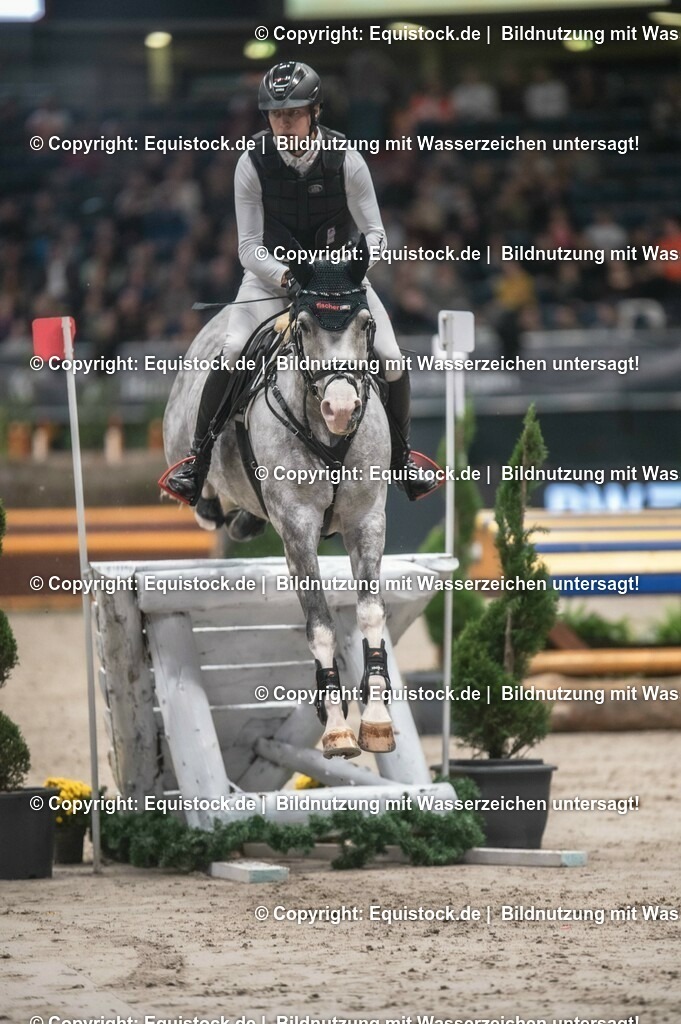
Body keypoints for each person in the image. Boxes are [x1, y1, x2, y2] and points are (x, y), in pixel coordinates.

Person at [164, 60, 438, 506]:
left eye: (292, 113)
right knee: (232, 350)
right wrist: (289, 276)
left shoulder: (347, 159)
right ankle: (199, 462)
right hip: (273, 280)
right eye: (275, 114)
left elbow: (377, 234)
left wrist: (346, 271)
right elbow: (249, 247)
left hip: (340, 281)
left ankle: (403, 458)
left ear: (315, 112)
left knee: (388, 354)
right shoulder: (251, 164)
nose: (283, 122)